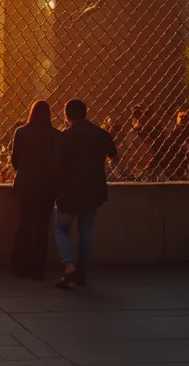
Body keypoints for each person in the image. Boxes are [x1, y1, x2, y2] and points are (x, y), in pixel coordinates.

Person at [53, 99, 117, 289]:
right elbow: (112, 153)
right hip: (92, 190)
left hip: (69, 191)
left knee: (60, 228)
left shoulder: (65, 137)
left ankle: (69, 264)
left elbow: (57, 164)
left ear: (67, 116)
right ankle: (82, 272)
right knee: (86, 232)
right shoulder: (100, 134)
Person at [10, 100, 58, 280]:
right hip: (46, 186)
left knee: (24, 224)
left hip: (25, 183)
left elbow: (16, 160)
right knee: (41, 227)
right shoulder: (55, 135)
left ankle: (20, 266)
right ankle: (38, 268)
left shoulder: (21, 132)